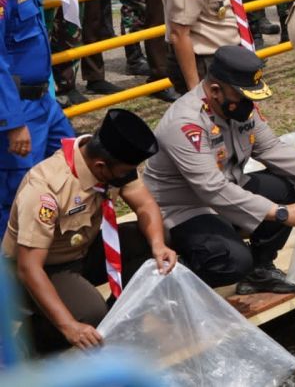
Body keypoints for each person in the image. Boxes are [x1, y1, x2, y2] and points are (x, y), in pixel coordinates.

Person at [146, 46, 295, 291]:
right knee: (233, 261)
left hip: (228, 188)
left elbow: (269, 147)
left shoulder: (237, 106)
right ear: (215, 91)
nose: (250, 106)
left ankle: (261, 269)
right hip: (186, 209)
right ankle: (175, 273)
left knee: (291, 183)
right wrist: (280, 212)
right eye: (244, 98)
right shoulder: (185, 124)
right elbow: (211, 188)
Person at [2, 109, 176, 352]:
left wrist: (159, 245)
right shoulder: (46, 190)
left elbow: (145, 204)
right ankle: (27, 343)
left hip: (84, 249)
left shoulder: (112, 163)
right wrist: (69, 326)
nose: (127, 176)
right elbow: (28, 267)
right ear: (101, 166)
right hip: (42, 266)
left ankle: (115, 317)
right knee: (90, 313)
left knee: (154, 239)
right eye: (123, 172)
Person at [0, 0, 75, 230]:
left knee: (71, 169)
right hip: (17, 112)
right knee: (17, 201)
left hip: (42, 103)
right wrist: (12, 122)